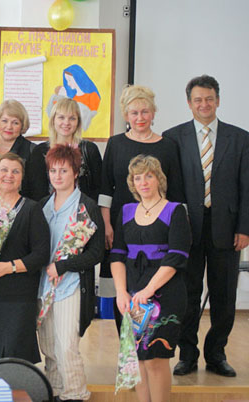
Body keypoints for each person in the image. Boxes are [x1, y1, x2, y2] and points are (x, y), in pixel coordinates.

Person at [164, 75, 249, 378]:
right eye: (198, 99)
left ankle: (216, 355)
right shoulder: (173, 138)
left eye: (209, 98)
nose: (204, 104)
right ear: (189, 103)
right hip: (187, 229)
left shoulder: (240, 138)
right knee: (187, 295)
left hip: (227, 228)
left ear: (218, 100)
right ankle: (187, 355)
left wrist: (245, 228)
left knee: (224, 296)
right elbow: (169, 189)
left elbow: (247, 188)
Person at [99, 85, 185, 330]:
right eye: (134, 113)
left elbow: (176, 192)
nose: (140, 118)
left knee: (154, 296)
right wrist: (106, 224)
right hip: (122, 228)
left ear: (153, 113)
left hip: (158, 231)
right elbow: (105, 189)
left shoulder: (168, 146)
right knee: (124, 291)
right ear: (126, 115)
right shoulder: (115, 144)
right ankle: (130, 342)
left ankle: (148, 343)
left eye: (145, 112)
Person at [111, 155, 191, 401]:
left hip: (165, 294)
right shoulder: (126, 211)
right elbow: (117, 254)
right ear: (132, 183)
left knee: (156, 359)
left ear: (159, 179)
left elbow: (176, 257)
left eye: (149, 176)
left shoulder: (175, 210)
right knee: (138, 358)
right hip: (132, 295)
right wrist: (121, 292)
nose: (143, 182)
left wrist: (148, 290)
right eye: (138, 178)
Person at [37, 144, 104, 402]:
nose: (57, 176)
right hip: (44, 285)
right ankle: (55, 391)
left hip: (71, 285)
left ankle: (75, 394)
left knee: (67, 346)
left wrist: (64, 266)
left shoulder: (86, 206)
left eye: (64, 170)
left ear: (76, 173)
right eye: (53, 171)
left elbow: (96, 253)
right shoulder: (43, 205)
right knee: (49, 347)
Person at [0, 153, 51, 365]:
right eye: (4, 170)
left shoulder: (31, 209)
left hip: (18, 297)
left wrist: (7, 267)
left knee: (13, 356)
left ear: (21, 178)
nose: (9, 175)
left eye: (15, 171)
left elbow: (40, 254)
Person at [23, 97, 102, 202]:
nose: (66, 122)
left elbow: (99, 187)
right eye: (61, 117)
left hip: (83, 210)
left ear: (78, 122)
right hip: (46, 210)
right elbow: (33, 190)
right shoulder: (39, 151)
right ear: (53, 120)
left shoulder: (89, 150)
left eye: (72, 118)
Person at [0, 99, 36, 166]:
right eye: (4, 121)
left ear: (22, 125)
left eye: (15, 123)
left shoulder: (33, 150)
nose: (9, 127)